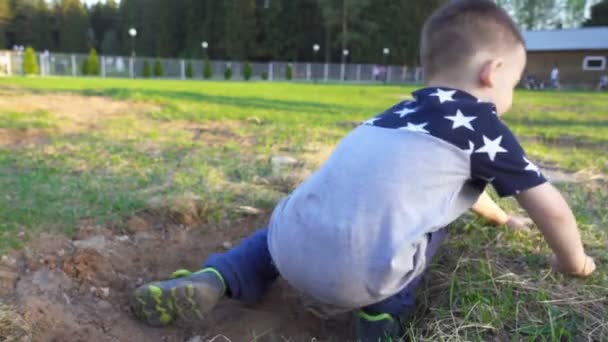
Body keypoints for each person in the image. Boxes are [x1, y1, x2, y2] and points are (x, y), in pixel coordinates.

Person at [130, 1, 596, 340]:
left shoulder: (393, 116)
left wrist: (501, 217)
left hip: (289, 245)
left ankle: (218, 278)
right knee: (429, 226)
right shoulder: (479, 123)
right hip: (362, 277)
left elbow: (455, 187)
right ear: (492, 72)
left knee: (290, 219)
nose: (510, 99)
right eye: (513, 85)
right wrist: (572, 262)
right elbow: (550, 209)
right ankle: (381, 317)